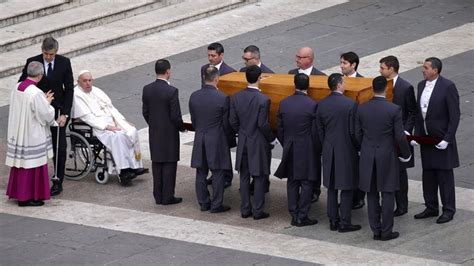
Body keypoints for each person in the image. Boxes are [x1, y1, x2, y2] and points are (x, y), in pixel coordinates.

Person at [355, 76, 411, 241]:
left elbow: (357, 134)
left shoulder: (362, 108)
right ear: (386, 90)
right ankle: (386, 231)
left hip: (367, 155)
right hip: (386, 156)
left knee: (371, 194)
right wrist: (406, 154)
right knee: (387, 193)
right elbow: (400, 137)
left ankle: (376, 231)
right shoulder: (394, 109)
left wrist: (363, 148)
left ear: (372, 89)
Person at [18, 37, 74, 196]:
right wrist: (39, 95)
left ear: (56, 52)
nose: (48, 57)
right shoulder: (33, 62)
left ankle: (58, 180)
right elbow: (23, 83)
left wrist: (66, 113)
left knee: (60, 147)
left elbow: (69, 89)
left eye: (51, 54)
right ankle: (34, 180)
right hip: (36, 112)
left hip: (57, 112)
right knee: (36, 146)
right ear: (41, 50)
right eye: (45, 54)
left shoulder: (64, 62)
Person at [72, 70, 148, 185]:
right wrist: (106, 126)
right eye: (85, 81)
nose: (88, 83)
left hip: (112, 122)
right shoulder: (76, 95)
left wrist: (122, 121)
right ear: (78, 82)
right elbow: (87, 118)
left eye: (90, 80)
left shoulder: (96, 91)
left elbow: (111, 108)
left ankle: (135, 166)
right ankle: (124, 171)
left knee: (131, 131)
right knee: (118, 136)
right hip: (97, 127)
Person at [413, 57, 460, 224]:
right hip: (427, 139)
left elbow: (454, 116)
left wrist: (448, 138)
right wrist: (417, 135)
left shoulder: (448, 87)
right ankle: (431, 206)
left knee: (444, 176)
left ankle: (448, 209)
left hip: (441, 139)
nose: (423, 70)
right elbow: (420, 114)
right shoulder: (420, 85)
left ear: (435, 70)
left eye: (426, 67)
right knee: (429, 175)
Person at [316, 73, 361, 233]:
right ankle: (345, 222)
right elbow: (354, 132)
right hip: (346, 150)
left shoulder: (321, 104)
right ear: (340, 84)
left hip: (329, 149)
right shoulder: (350, 104)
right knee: (347, 187)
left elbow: (319, 131)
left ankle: (333, 220)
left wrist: (326, 145)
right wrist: (358, 147)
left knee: (332, 188)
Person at [6, 61, 55, 206]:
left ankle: (19, 194)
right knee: (33, 165)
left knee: (21, 164)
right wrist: (47, 102)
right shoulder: (36, 93)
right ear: (40, 75)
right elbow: (45, 114)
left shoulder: (17, 87)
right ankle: (28, 197)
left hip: (19, 132)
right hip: (31, 134)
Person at [230, 65, 276, 220]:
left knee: (244, 176)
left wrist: (242, 132)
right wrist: (272, 138)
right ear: (259, 77)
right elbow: (263, 124)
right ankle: (257, 210)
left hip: (243, 140)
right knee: (259, 176)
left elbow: (233, 121)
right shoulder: (263, 99)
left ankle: (245, 209)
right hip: (257, 142)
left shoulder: (237, 97)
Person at [274, 73, 319, 227]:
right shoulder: (312, 104)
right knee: (306, 182)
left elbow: (279, 128)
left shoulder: (284, 103)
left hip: (290, 146)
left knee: (292, 181)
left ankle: (293, 212)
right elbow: (315, 130)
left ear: (294, 84)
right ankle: (302, 214)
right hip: (306, 147)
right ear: (308, 86)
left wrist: (286, 142)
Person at [189, 66, 234, 213]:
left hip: (200, 136)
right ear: (217, 79)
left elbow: (194, 120)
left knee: (201, 172)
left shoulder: (194, 96)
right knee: (218, 172)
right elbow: (226, 123)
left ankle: (203, 202)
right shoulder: (222, 98)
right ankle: (216, 204)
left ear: (204, 78)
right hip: (216, 138)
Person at [143, 59, 185, 205]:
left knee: (157, 163)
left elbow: (145, 112)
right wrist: (181, 127)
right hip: (169, 133)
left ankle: (158, 195)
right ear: (168, 71)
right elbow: (175, 115)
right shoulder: (171, 91)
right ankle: (168, 196)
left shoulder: (147, 89)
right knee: (169, 163)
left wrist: (154, 124)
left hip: (154, 131)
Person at [379, 56, 417, 217]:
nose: (380, 70)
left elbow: (412, 112)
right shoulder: (379, 84)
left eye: (382, 68)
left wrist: (406, 131)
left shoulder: (405, 87)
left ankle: (402, 205)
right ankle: (386, 203)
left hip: (399, 136)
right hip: (384, 136)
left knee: (400, 173)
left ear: (392, 69)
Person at [288, 46, 325, 202]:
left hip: (312, 129)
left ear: (310, 59)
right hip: (295, 128)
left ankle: (314, 190)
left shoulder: (321, 77)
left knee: (314, 162)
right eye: (297, 56)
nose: (297, 59)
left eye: (301, 57)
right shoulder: (290, 74)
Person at [200, 42, 235, 187]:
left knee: (223, 148)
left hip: (223, 115)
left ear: (221, 55)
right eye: (209, 55)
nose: (210, 58)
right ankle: (215, 174)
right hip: (209, 115)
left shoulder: (230, 72)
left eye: (213, 56)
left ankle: (227, 175)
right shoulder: (204, 69)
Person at [340, 51, 365, 209]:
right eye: (341, 63)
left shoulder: (362, 82)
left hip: (356, 130)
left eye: (344, 63)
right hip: (342, 130)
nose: (341, 66)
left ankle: (358, 197)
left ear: (353, 65)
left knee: (358, 167)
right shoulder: (337, 80)